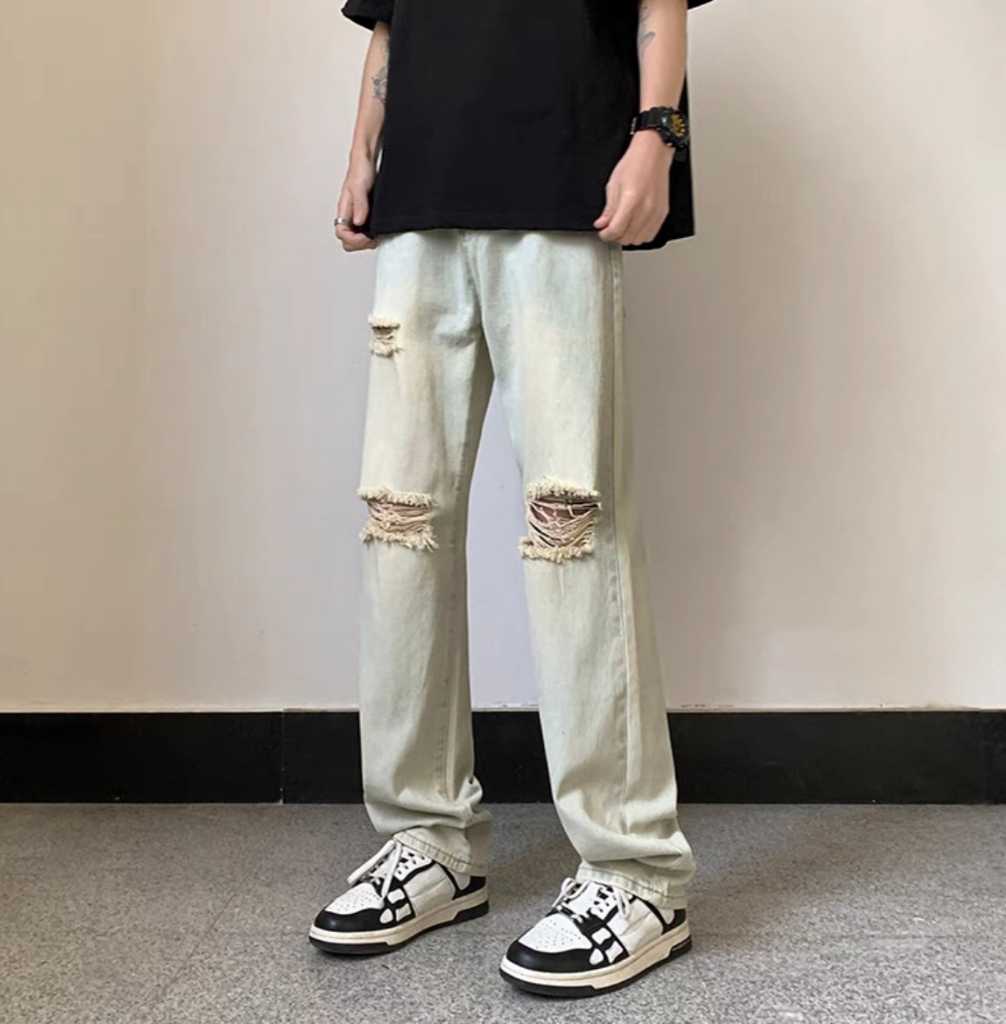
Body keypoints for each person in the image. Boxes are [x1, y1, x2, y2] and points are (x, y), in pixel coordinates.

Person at [310, 0, 716, 999]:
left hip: (558, 182)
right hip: (421, 192)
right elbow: (390, 24)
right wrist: (362, 153)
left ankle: (635, 868)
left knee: (571, 524)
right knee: (398, 525)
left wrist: (656, 135)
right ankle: (429, 838)